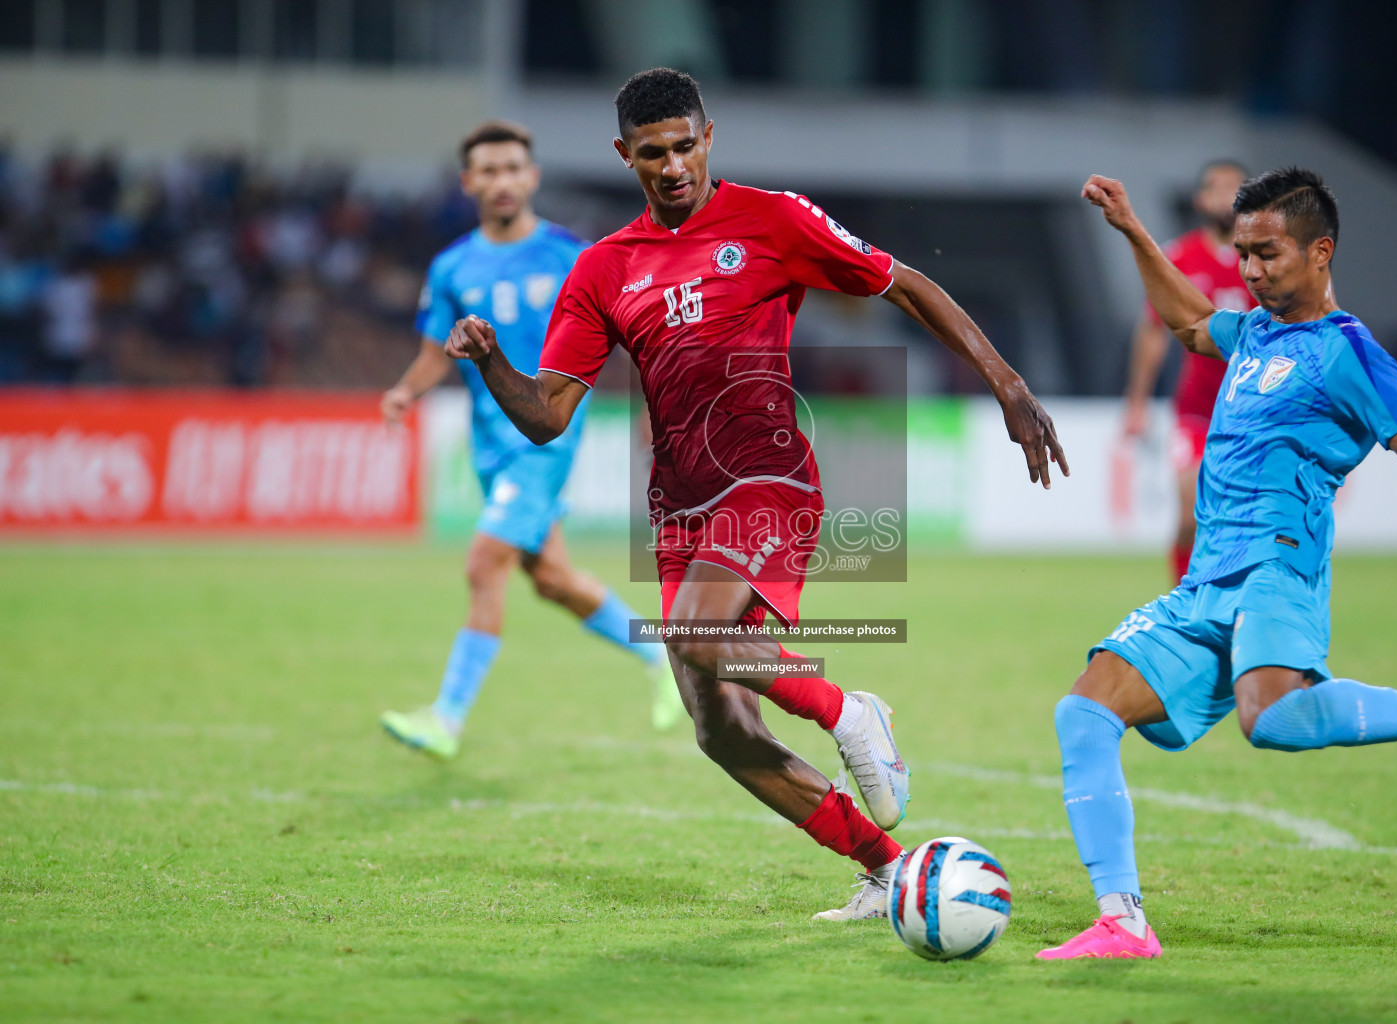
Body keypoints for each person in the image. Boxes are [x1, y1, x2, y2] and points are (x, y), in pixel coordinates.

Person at [444, 69, 1067, 920]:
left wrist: (1006, 382)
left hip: (767, 480)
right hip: (678, 509)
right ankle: (887, 870)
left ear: (709, 137)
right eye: (652, 153)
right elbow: (548, 416)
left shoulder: (774, 219)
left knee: (698, 636)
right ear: (624, 156)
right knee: (722, 731)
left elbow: (907, 283)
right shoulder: (601, 270)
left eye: (685, 146)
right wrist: (491, 364)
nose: (672, 167)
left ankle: (850, 711)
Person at [1042, 167, 1397, 960]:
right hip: (1204, 580)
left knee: (1270, 721)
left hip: (1280, 568)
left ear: (1319, 251)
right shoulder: (1256, 332)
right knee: (1085, 710)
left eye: (1267, 253)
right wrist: (1133, 231)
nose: (1252, 270)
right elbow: (1191, 323)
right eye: (1242, 255)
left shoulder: (1351, 353)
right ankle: (1122, 920)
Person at [379, 120, 684, 762]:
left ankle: (447, 718)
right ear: (469, 183)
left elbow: (633, 334)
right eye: (487, 171)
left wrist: (653, 405)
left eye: (513, 168)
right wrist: (408, 391)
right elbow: (438, 351)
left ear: (533, 176)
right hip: (491, 442)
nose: (502, 181)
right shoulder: (452, 266)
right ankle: (661, 655)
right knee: (552, 580)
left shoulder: (572, 257)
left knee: (484, 561)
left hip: (544, 439)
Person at [1121, 161, 1255, 583]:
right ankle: (1182, 606)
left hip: (1256, 415)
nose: (1225, 198)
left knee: (1249, 528)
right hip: (1196, 413)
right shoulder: (1180, 256)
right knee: (1188, 517)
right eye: (1216, 189)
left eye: (1235, 189)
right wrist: (1137, 403)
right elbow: (1153, 333)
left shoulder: (1268, 259)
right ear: (1200, 199)